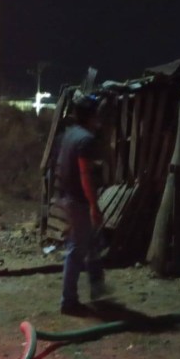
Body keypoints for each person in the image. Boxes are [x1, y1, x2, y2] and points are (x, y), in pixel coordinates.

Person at [54, 91, 108, 315]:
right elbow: (85, 175)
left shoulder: (70, 134)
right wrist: (94, 206)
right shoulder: (85, 140)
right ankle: (69, 301)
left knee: (89, 241)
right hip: (77, 199)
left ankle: (97, 287)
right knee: (76, 249)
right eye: (97, 115)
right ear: (90, 116)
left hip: (66, 195)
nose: (99, 119)